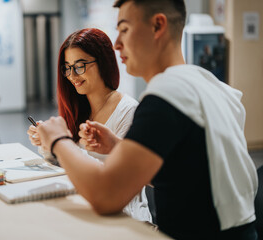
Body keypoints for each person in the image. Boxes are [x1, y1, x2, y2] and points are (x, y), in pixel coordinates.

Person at [36, 0, 259, 239]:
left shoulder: (168, 95)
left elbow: (105, 195)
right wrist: (117, 147)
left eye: (124, 30)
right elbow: (189, 176)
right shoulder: (208, 85)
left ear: (157, 26)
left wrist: (59, 140)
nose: (117, 44)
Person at [27, 28, 151, 222]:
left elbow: (113, 183)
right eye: (67, 67)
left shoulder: (128, 111)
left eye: (80, 65)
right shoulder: (78, 109)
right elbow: (68, 169)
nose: (72, 75)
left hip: (125, 219)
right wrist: (49, 145)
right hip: (86, 208)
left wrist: (63, 144)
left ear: (103, 62)